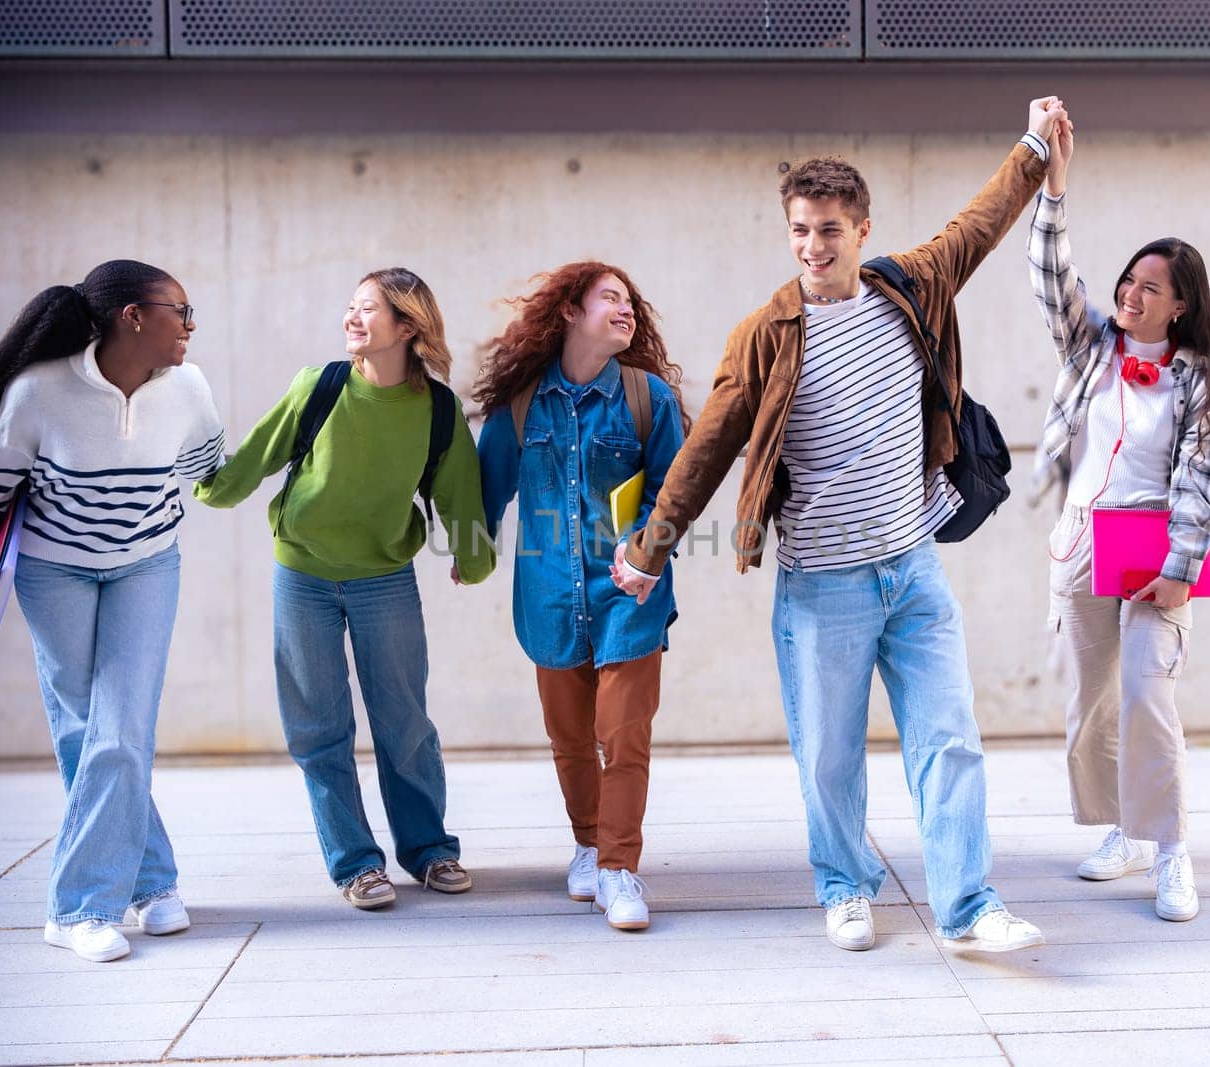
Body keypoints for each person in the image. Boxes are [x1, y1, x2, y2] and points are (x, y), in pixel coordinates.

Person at [613, 100, 1072, 953]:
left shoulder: (912, 286)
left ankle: (969, 906)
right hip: (823, 585)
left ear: (862, 229)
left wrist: (1036, 146)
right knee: (829, 758)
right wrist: (648, 547)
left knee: (950, 741)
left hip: (913, 567)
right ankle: (844, 885)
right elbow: (708, 445)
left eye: (828, 230)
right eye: (799, 231)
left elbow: (981, 223)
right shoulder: (765, 334)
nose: (812, 248)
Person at [0, 260, 225, 962]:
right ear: (133, 316)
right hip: (54, 569)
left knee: (119, 727)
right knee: (89, 729)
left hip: (147, 566)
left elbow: (212, 467)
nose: (189, 327)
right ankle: (120, 894)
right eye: (180, 311)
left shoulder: (189, 388)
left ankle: (97, 896)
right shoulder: (40, 391)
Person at [194, 268, 494, 909]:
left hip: (384, 581)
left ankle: (430, 850)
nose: (351, 318)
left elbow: (459, 491)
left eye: (368, 309)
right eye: (351, 307)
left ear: (408, 326)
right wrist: (212, 485)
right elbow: (259, 455)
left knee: (405, 722)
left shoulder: (437, 410)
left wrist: (473, 558)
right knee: (319, 728)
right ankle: (356, 863)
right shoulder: (320, 386)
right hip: (301, 575)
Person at [1027, 114, 1210, 922]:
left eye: (1151, 287)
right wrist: (1055, 180)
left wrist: (1180, 567)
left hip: (1156, 542)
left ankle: (1171, 848)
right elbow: (1050, 272)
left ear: (1179, 306)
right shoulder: (1090, 347)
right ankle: (1119, 827)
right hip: (1081, 537)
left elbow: (1202, 480)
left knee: (1150, 693)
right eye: (1128, 280)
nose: (1131, 293)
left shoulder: (1195, 377)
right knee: (1092, 701)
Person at [473, 262, 687, 932]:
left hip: (631, 592)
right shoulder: (520, 407)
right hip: (549, 596)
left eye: (630, 302)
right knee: (570, 738)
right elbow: (486, 490)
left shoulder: (647, 397)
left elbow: (675, 492)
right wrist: (468, 546)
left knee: (622, 735)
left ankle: (620, 868)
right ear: (569, 311)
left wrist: (647, 551)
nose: (626, 309)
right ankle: (589, 844)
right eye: (610, 298)